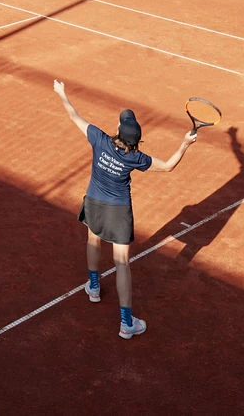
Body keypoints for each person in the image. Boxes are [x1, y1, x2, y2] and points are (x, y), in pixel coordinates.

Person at [53, 80, 197, 339]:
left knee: (93, 240)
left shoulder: (99, 139)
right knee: (121, 264)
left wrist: (62, 93)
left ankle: (94, 288)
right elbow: (168, 166)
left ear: (119, 130)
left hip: (94, 202)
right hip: (119, 212)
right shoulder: (136, 158)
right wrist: (185, 143)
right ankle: (126, 323)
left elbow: (74, 115)